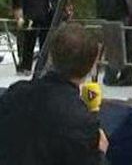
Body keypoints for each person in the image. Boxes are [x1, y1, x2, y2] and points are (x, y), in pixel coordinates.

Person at [0, 22, 108, 165]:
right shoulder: (83, 122)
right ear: (93, 64)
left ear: (51, 56)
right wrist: (100, 153)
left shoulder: (15, 94)